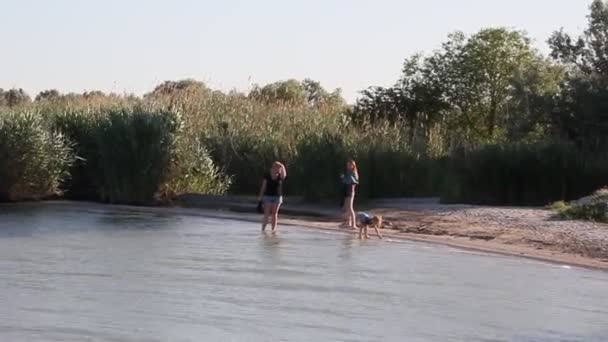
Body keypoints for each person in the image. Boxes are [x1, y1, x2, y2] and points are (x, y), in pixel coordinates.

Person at [257, 161, 287, 232]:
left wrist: (282, 166)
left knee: (274, 214)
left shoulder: (280, 176)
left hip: (277, 196)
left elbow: (284, 175)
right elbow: (263, 187)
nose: (279, 170)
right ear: (274, 168)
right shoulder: (267, 175)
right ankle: (263, 230)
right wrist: (260, 196)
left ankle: (273, 230)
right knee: (266, 214)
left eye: (280, 169)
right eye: (278, 168)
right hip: (268, 196)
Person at [340, 159, 359, 229]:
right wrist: (343, 177)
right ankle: (348, 222)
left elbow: (352, 181)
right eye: (347, 165)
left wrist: (344, 178)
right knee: (347, 207)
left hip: (350, 191)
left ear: (353, 165)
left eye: (349, 165)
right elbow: (345, 181)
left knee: (350, 208)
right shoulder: (348, 172)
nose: (348, 166)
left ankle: (354, 225)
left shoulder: (354, 173)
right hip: (346, 190)